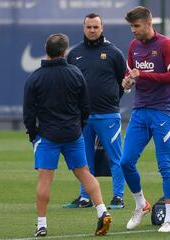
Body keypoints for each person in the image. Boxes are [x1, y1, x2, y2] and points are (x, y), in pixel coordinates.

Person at [23, 33, 112, 237]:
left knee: (45, 180)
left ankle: (42, 224)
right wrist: (78, 126)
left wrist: (33, 135)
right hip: (73, 134)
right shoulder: (75, 73)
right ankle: (102, 211)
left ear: (47, 50)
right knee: (84, 173)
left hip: (48, 136)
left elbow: (28, 113)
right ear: (65, 51)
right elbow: (85, 107)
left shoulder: (35, 77)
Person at [120, 6, 170, 233]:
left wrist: (142, 74)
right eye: (131, 27)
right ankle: (141, 205)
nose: (133, 31)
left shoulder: (165, 44)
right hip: (140, 111)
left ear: (149, 23)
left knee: (165, 167)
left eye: (136, 26)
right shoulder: (133, 46)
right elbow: (130, 77)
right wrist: (127, 83)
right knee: (125, 162)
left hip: (162, 112)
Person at [62, 13, 126, 209]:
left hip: (108, 114)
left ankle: (118, 197)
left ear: (102, 28)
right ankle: (85, 197)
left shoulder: (114, 53)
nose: (92, 30)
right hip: (83, 117)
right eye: (89, 27)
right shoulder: (74, 54)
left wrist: (111, 101)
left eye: (95, 27)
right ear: (83, 28)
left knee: (116, 158)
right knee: (83, 159)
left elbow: (122, 82)